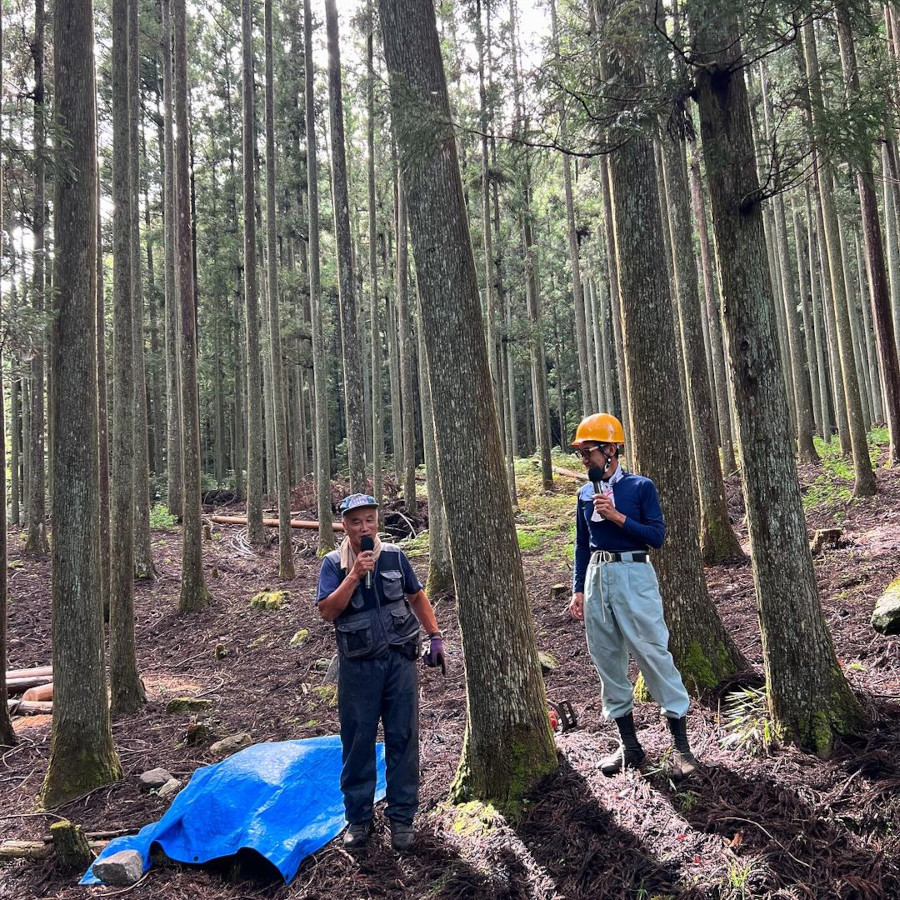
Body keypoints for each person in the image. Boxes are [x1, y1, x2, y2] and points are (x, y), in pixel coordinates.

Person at [569, 413, 697, 779]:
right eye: (581, 454)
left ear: (610, 450)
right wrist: (579, 589)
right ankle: (630, 747)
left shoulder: (641, 487)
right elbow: (581, 545)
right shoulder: (583, 493)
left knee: (653, 651)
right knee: (606, 658)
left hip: (634, 574)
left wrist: (617, 517)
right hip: (597, 576)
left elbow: (656, 537)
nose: (584, 460)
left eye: (588, 452)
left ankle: (682, 750)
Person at [317, 493, 446, 852]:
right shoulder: (333, 564)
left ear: (378, 521)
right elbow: (328, 611)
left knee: (403, 738)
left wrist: (435, 636)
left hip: (400, 662)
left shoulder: (394, 556)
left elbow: (417, 596)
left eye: (369, 520)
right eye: (356, 522)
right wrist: (354, 576)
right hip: (358, 667)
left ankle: (402, 819)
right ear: (344, 526)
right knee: (357, 743)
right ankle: (358, 820)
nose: (364, 528)